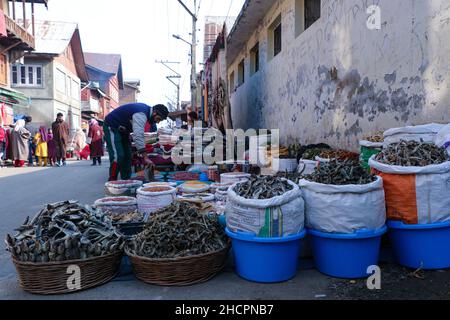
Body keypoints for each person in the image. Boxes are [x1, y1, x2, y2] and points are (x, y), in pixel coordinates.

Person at [103, 103, 169, 181]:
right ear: (154, 113)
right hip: (112, 126)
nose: (157, 122)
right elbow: (138, 135)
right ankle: (112, 181)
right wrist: (145, 157)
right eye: (158, 119)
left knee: (128, 156)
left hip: (123, 131)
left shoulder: (145, 112)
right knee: (118, 156)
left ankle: (126, 180)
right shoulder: (141, 114)